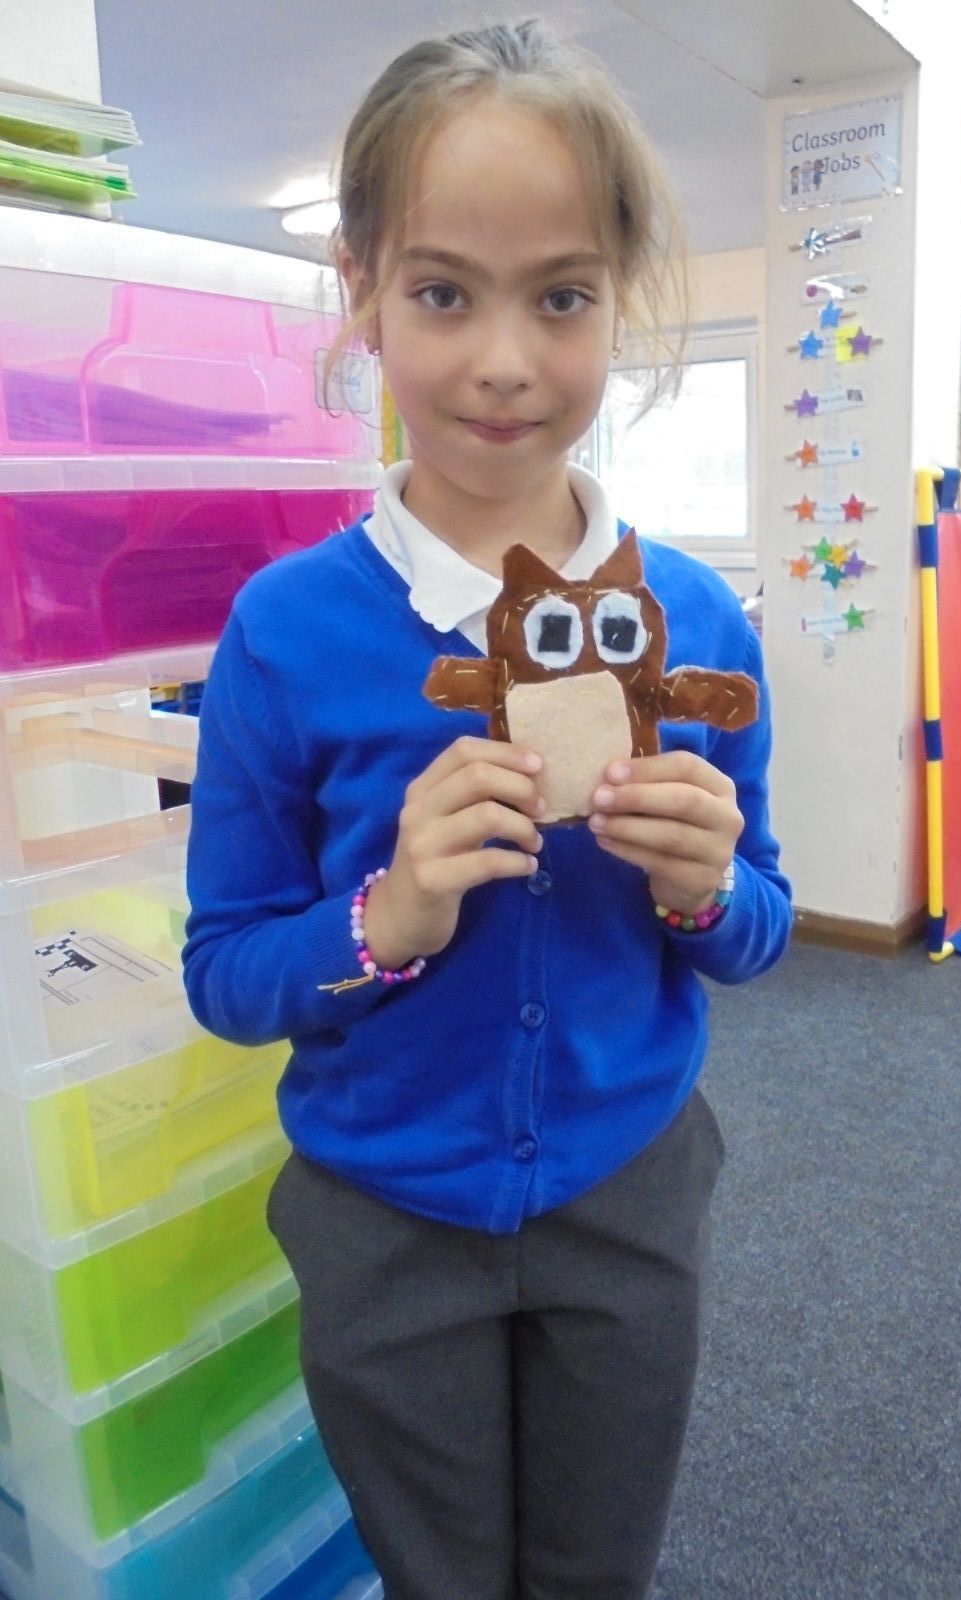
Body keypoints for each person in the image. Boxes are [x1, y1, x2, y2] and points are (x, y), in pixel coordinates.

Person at [182, 19, 792, 1600]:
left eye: (562, 296)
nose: (505, 359)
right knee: (439, 1577)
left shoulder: (698, 626)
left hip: (628, 1194)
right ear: (363, 290)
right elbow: (225, 974)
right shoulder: (286, 633)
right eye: (444, 292)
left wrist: (706, 889)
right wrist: (387, 915)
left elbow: (757, 931)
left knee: (598, 1573)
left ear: (619, 297)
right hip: (380, 1218)